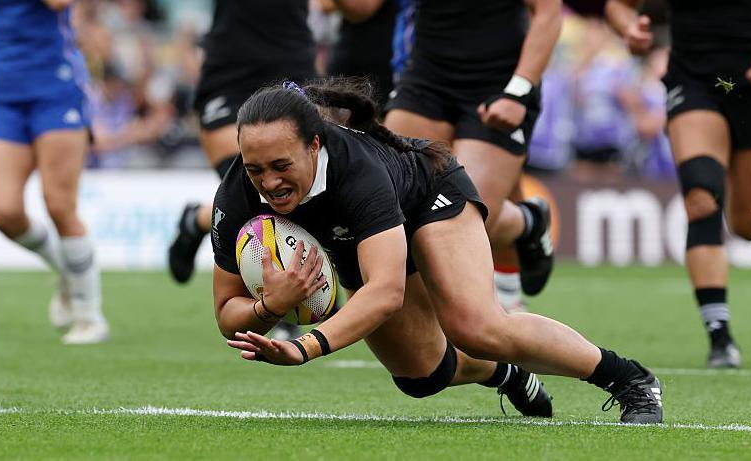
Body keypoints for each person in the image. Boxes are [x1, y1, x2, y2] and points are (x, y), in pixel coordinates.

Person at [213, 80, 664, 424]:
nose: (269, 182)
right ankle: (506, 375)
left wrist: (307, 347)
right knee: (421, 378)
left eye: (281, 166)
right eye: (255, 169)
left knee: (477, 326)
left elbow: (385, 291)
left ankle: (630, 379)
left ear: (314, 145)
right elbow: (227, 312)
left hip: (428, 198)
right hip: (359, 240)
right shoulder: (236, 195)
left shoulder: (356, 171)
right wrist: (271, 304)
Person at [606, 0, 751, 368]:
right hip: (693, 80)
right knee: (701, 197)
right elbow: (618, 5)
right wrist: (629, 29)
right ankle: (720, 336)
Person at [383, 0, 563, 313]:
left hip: (499, 83)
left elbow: (548, 12)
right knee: (390, 198)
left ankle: (528, 224)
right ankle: (526, 231)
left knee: (465, 218)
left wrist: (518, 92)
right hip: (427, 76)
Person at [167, 0, 318, 339]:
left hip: (290, 61)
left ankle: (199, 219)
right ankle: (279, 308)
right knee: (256, 187)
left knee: (286, 189)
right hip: (229, 68)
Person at [0, 0, 108, 344]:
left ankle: (90, 318)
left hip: (54, 88)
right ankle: (69, 273)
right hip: (0, 92)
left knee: (59, 205)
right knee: (5, 211)